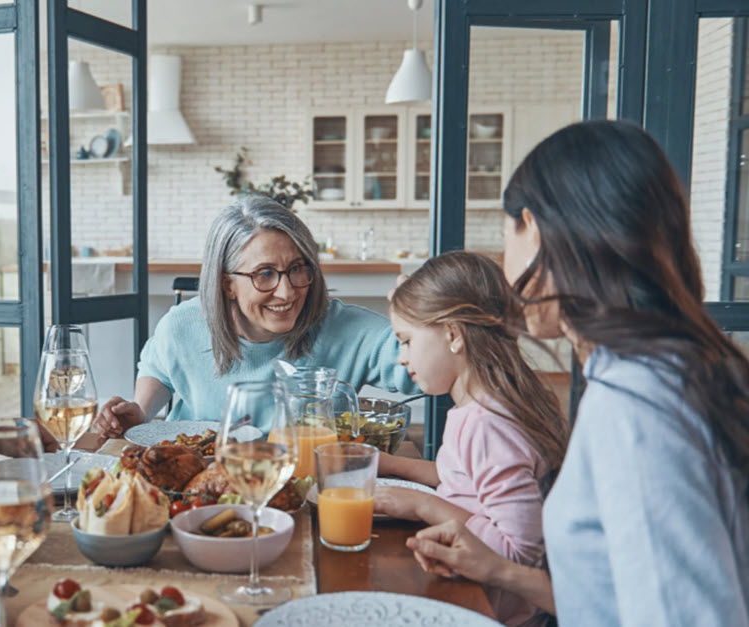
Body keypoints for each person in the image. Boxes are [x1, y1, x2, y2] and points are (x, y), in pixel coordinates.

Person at [405, 120, 749, 626]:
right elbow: (613, 595)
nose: (505, 269)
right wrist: (498, 570)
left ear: (534, 230)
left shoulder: (636, 405)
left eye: (507, 242)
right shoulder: (672, 368)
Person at [96, 195, 417, 436]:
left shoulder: (348, 330)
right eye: (265, 274)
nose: (287, 292)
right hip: (196, 488)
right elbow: (159, 368)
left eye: (297, 269)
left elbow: (427, 364)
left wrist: (423, 318)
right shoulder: (183, 324)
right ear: (227, 283)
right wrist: (140, 411)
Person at [375, 251, 567, 627]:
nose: (401, 358)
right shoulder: (483, 406)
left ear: (451, 334)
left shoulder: (487, 423)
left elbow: (518, 553)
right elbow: (464, 480)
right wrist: (388, 464)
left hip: (494, 613)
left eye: (407, 340)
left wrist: (422, 506)